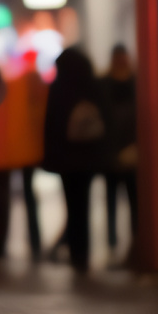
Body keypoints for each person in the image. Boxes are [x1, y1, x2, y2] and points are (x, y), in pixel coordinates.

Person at [42, 47, 110, 273]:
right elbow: (105, 121)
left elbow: (50, 125)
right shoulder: (94, 85)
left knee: (72, 204)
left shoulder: (59, 88)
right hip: (88, 158)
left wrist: (49, 157)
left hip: (66, 159)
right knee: (84, 204)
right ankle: (83, 251)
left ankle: (75, 251)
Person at [0, 49, 45, 261]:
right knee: (26, 196)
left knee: (5, 198)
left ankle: (4, 242)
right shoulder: (30, 83)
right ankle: (34, 240)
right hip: (24, 148)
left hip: (6, 151)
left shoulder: (5, 85)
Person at [99, 45, 138, 253]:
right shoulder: (106, 83)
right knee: (112, 197)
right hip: (112, 150)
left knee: (134, 198)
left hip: (130, 148)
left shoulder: (135, 81)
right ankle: (112, 239)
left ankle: (135, 238)